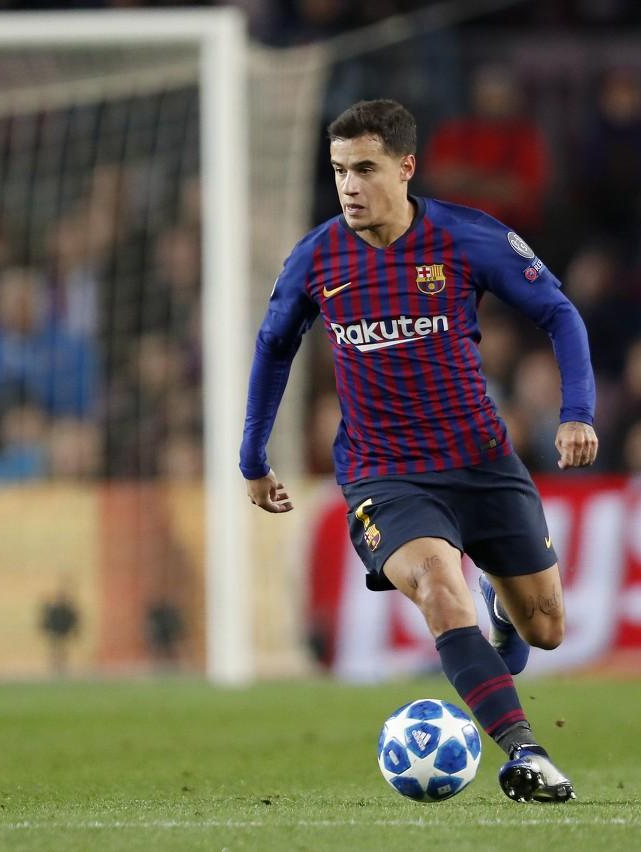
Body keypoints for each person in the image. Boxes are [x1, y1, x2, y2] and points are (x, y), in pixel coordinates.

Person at [240, 99, 598, 804]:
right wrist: (253, 456)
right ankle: (526, 753)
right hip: (386, 477)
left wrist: (576, 413)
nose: (349, 186)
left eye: (365, 169)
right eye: (339, 170)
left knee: (546, 630)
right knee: (439, 589)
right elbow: (273, 346)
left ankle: (503, 607)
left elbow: (560, 313)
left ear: (405, 168)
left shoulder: (466, 236)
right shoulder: (317, 256)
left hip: (482, 461)